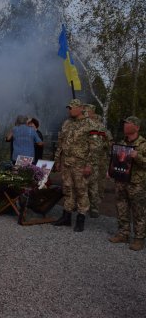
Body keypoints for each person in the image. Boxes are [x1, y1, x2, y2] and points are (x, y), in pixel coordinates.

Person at [52, 99, 99, 232]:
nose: (69, 110)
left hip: (81, 164)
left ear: (80, 108)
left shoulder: (90, 124)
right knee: (67, 189)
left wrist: (89, 165)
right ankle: (66, 217)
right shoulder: (67, 123)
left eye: (72, 107)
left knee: (81, 190)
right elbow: (60, 143)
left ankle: (80, 218)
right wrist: (57, 161)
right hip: (67, 163)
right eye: (69, 108)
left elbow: (95, 148)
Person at [108, 116, 146, 251]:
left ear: (136, 127)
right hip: (121, 181)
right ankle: (123, 234)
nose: (125, 126)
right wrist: (110, 170)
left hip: (136, 184)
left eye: (128, 124)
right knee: (121, 207)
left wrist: (138, 157)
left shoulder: (143, 144)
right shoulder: (121, 143)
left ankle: (139, 238)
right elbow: (116, 160)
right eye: (124, 124)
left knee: (138, 211)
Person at [83, 104, 112, 217]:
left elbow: (109, 143)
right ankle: (84, 206)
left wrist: (101, 144)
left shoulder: (100, 127)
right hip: (86, 159)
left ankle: (94, 208)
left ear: (92, 113)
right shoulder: (85, 126)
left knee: (95, 184)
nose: (85, 113)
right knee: (85, 184)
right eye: (84, 111)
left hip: (98, 160)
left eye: (87, 111)